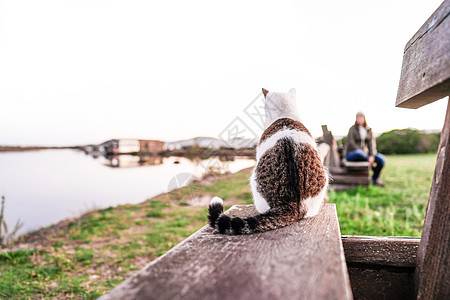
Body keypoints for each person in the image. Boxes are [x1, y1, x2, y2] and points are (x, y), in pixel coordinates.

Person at [345, 112, 386, 187]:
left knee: (381, 159)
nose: (360, 119)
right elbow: (351, 143)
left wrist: (372, 155)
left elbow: (371, 144)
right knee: (359, 154)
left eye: (361, 117)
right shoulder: (352, 129)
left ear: (364, 119)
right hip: (352, 153)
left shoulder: (368, 129)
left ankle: (375, 179)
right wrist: (363, 151)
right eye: (358, 117)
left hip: (365, 154)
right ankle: (372, 165)